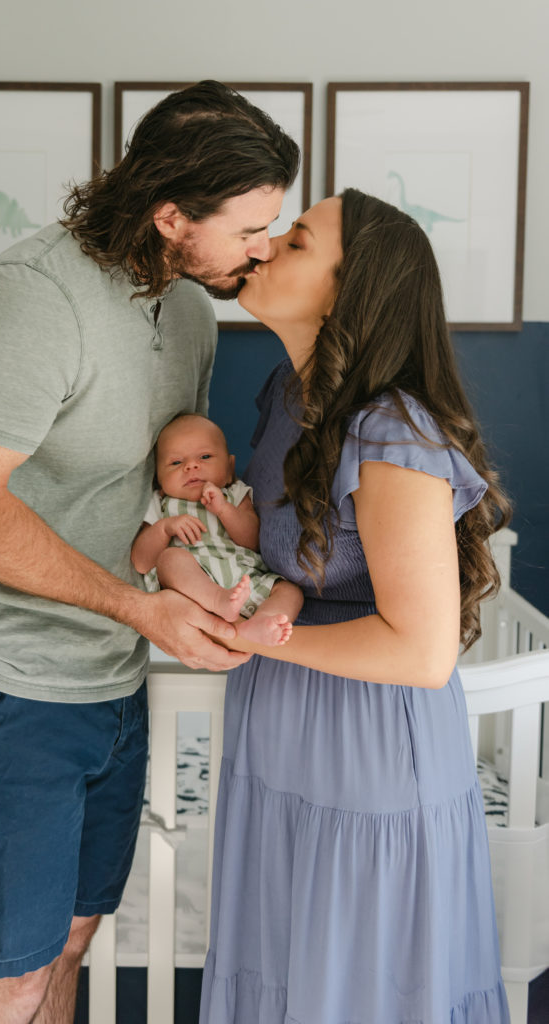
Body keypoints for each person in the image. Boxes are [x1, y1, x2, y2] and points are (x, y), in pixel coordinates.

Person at [0, 81, 299, 1024]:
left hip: (110, 678)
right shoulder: (29, 299)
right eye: (249, 228)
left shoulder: (191, 311)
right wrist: (137, 609)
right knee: (10, 975)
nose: (265, 248)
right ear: (171, 216)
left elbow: (161, 487)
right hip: (5, 682)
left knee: (77, 938)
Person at [199, 189, 512, 1023]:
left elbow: (422, 652)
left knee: (359, 989)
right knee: (279, 968)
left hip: (366, 740)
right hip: (279, 727)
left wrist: (260, 638)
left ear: (348, 293)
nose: (264, 248)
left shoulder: (392, 434)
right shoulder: (287, 396)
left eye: (296, 241)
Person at [131, 413, 303, 646]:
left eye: (205, 456)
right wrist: (164, 528)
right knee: (170, 558)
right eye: (176, 462)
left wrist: (224, 510)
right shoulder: (160, 504)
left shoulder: (234, 494)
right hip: (194, 590)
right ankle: (219, 600)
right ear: (158, 478)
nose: (191, 466)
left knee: (291, 592)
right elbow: (141, 562)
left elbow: (252, 541)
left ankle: (262, 622)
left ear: (229, 468)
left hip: (245, 578)